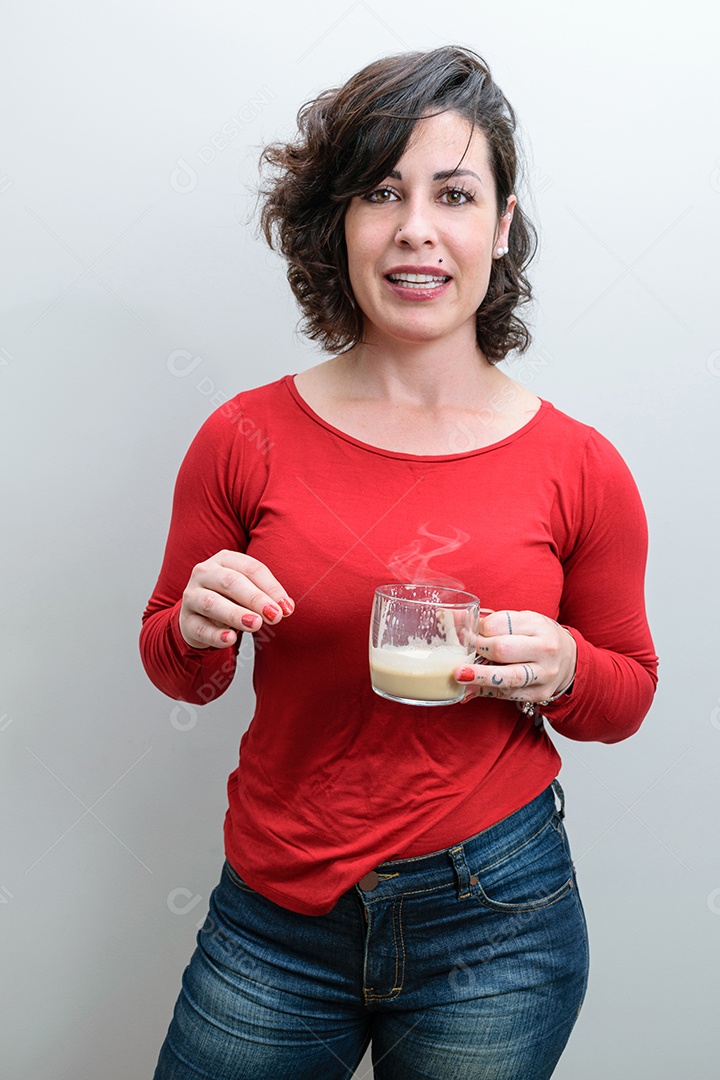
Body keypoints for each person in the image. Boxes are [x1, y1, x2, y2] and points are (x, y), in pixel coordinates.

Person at [142, 46, 658, 1080]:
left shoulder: (583, 467)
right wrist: (194, 625)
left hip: (497, 923)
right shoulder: (243, 437)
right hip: (275, 918)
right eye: (382, 191)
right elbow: (176, 665)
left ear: (501, 226)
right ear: (340, 222)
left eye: (454, 193)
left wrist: (564, 667)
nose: (417, 227)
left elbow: (626, 694)